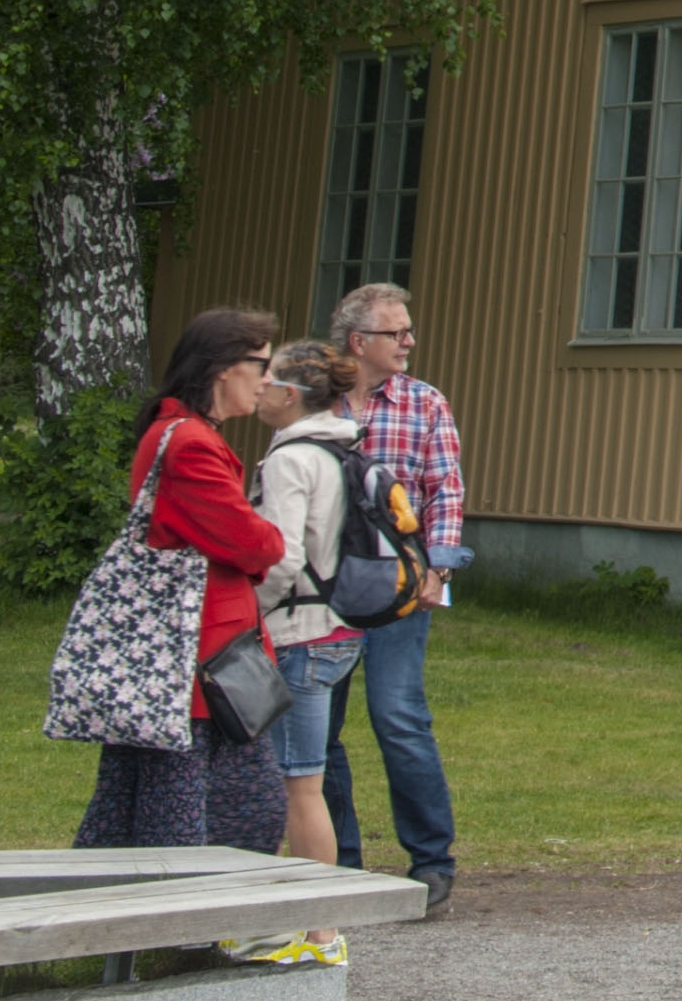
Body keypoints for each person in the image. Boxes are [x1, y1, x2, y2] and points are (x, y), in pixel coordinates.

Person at [73, 308, 291, 857]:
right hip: (197, 670)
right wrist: (265, 539)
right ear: (222, 368)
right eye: (261, 364)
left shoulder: (179, 433)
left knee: (150, 809)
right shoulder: (190, 443)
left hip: (187, 667)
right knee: (216, 815)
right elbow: (252, 542)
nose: (269, 379)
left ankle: (148, 931)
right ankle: (176, 936)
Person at [321, 283, 461, 915]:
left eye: (407, 331)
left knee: (398, 718)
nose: (409, 342)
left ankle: (431, 860)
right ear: (358, 342)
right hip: (323, 592)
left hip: (402, 590)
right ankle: (342, 861)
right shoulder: (314, 402)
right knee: (319, 730)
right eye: (395, 333)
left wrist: (440, 572)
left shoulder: (425, 403)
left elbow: (445, 492)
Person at [241, 341, 372, 968]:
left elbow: (283, 555)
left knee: (299, 787)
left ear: (289, 393)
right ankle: (305, 924)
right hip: (341, 629)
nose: (257, 389)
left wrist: (248, 609)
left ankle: (318, 932)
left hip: (301, 633)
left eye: (266, 379)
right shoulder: (339, 445)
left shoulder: (292, 459)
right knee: (303, 780)